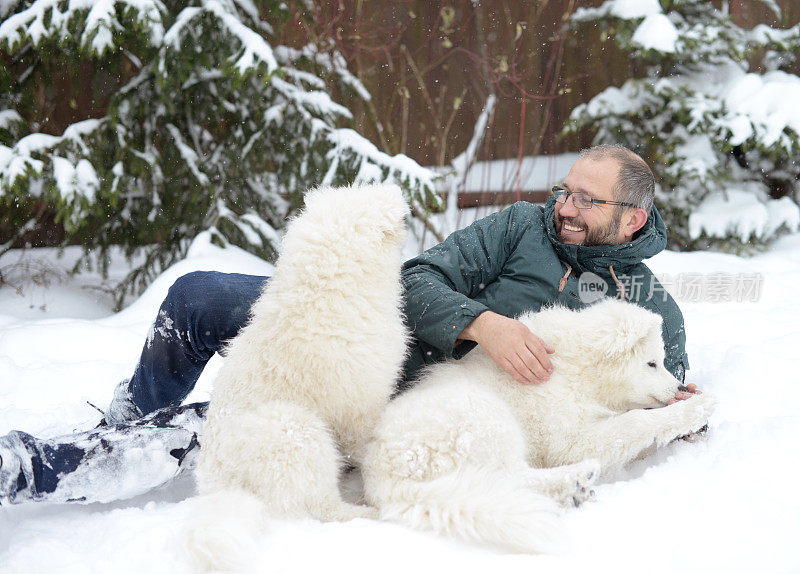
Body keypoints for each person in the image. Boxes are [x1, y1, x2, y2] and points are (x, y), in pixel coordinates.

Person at [0, 144, 696, 505]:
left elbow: (660, 385)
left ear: (631, 216)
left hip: (416, 393)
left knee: (248, 416)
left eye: (585, 199)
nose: (565, 206)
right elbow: (417, 277)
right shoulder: (523, 225)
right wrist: (485, 322)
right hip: (371, 323)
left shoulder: (645, 305)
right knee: (198, 295)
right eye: (564, 189)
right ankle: (128, 416)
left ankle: (51, 467)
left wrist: (677, 398)